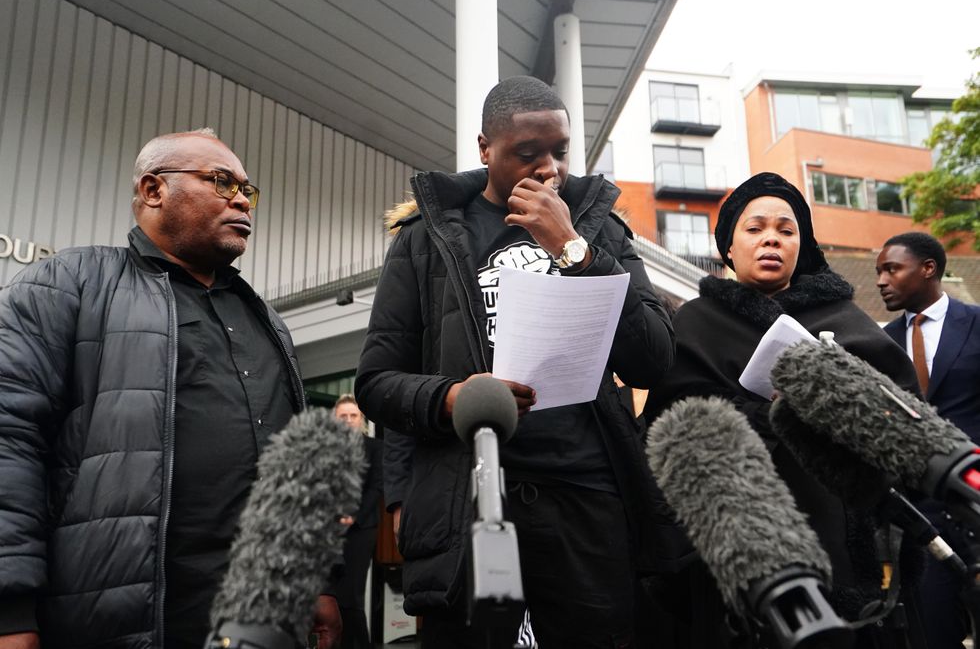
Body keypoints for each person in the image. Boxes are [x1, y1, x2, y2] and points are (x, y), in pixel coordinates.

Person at [356, 75, 688, 648]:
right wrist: (453, 398)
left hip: (586, 499)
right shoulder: (424, 240)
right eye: (526, 154)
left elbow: (653, 362)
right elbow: (377, 381)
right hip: (469, 497)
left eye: (560, 152)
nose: (548, 170)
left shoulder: (598, 226)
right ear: (485, 150)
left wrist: (574, 250)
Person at [0, 129, 312, 648]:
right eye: (220, 181)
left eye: (246, 190)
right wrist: (10, 610)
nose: (241, 198)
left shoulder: (266, 320)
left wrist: (317, 581)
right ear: (152, 190)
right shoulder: (68, 283)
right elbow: (9, 439)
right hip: (121, 617)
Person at [647, 172, 926, 648]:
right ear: (728, 248)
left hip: (835, 525)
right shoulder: (693, 323)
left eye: (786, 229)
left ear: (802, 246)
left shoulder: (847, 321)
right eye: (755, 229)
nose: (771, 238)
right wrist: (765, 415)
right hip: (732, 531)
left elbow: (903, 414)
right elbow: (669, 422)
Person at [877, 231, 980, 649]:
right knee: (934, 630)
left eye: (892, 269)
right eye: (879, 271)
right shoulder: (880, 342)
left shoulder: (976, 322)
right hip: (919, 515)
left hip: (974, 497)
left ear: (928, 269)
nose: (882, 280)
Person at [329, 394, 382, 649]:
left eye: (354, 415)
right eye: (343, 416)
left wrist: (354, 516)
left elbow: (375, 489)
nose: (349, 420)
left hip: (362, 530)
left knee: (351, 598)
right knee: (334, 599)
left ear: (361, 419)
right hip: (330, 532)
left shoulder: (374, 448)